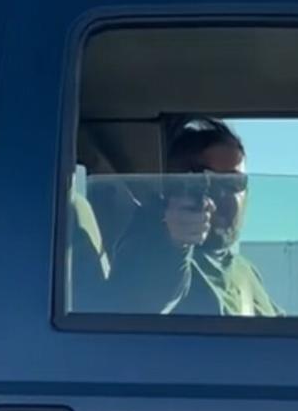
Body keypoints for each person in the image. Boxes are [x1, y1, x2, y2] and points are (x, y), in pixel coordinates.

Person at [108, 118, 280, 316]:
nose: (225, 195)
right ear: (180, 186)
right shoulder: (147, 248)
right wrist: (173, 244)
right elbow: (133, 310)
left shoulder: (246, 273)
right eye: (209, 181)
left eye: (234, 182)